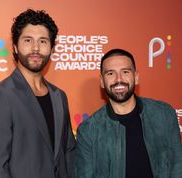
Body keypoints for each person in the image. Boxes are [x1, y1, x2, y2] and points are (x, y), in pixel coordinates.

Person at [0, 9, 75, 178]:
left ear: (52, 48)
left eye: (43, 41)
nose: (36, 48)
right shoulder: (1, 96)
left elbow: (68, 154)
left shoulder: (59, 96)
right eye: (28, 40)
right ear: (15, 47)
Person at [74, 48, 182, 178]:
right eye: (110, 73)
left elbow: (177, 166)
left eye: (125, 72)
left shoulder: (164, 114)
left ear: (136, 77)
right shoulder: (88, 131)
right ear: (102, 81)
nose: (119, 79)